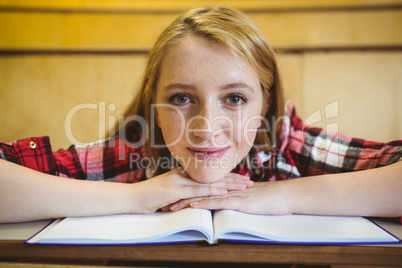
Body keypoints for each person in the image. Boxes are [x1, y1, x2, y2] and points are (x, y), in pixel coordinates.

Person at [0, 7, 401, 223]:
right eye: (180, 98)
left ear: (266, 106)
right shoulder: (141, 151)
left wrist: (284, 196)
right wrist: (135, 197)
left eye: (236, 99)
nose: (206, 127)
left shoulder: (287, 146)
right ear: (153, 105)